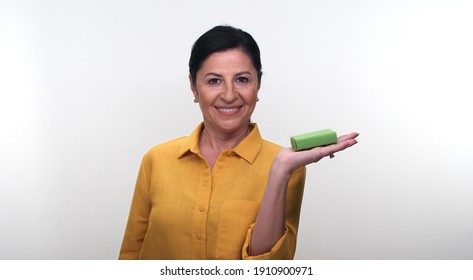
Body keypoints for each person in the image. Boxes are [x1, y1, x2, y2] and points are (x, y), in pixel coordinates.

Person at [119, 25, 358, 260]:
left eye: (242, 79)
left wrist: (280, 171)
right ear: (193, 87)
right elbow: (131, 254)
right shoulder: (156, 159)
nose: (230, 94)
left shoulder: (288, 167)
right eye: (214, 81)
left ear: (258, 85)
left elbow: (269, 268)